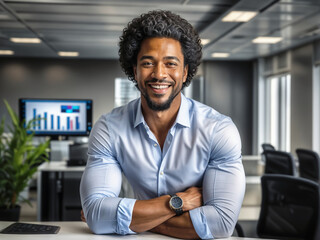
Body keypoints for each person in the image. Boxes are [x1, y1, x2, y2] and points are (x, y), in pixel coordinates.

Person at [80, 10, 245, 239]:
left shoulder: (218, 130)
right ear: (134, 71)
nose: (159, 74)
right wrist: (177, 203)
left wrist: (132, 218)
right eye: (148, 63)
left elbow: (221, 224)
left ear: (185, 71)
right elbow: (97, 215)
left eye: (171, 63)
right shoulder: (109, 128)